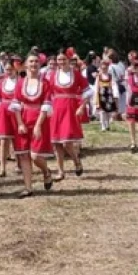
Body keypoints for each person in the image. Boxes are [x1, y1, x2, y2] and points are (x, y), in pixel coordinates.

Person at [11, 54, 54, 198]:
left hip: (39, 118)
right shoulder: (20, 83)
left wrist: (38, 125)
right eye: (31, 61)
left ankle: (46, 171)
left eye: (36, 61)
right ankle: (28, 187)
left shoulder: (45, 83)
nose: (34, 64)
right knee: (24, 154)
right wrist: (20, 123)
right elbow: (16, 104)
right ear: (26, 64)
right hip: (24, 118)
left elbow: (46, 105)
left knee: (35, 155)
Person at [48, 52, 89, 181]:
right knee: (56, 143)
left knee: (66, 142)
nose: (61, 62)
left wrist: (82, 107)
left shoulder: (75, 74)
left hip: (70, 109)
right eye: (59, 59)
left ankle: (76, 161)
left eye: (63, 59)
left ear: (68, 60)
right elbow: (48, 93)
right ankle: (60, 171)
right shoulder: (53, 75)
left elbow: (87, 91)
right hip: (56, 109)